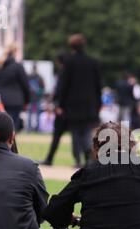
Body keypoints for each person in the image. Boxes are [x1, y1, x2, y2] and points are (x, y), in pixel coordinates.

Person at [57, 33, 102, 168]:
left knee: (75, 133)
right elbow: (98, 85)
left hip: (72, 104)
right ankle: (89, 159)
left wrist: (60, 104)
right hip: (89, 104)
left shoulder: (69, 63)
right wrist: (98, 103)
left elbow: (63, 85)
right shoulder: (92, 62)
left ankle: (77, 160)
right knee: (87, 132)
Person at [0, 44, 30, 131]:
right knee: (12, 130)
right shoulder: (18, 66)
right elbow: (25, 85)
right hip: (15, 102)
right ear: (15, 52)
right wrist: (27, 101)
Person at [41, 53, 69, 166]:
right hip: (71, 110)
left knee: (57, 136)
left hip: (62, 110)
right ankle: (82, 160)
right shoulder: (71, 74)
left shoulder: (62, 74)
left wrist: (57, 106)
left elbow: (59, 92)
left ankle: (49, 158)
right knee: (79, 137)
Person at [27, 63, 45, 131]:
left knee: (30, 114)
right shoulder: (40, 77)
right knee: (37, 114)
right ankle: (36, 128)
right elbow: (43, 88)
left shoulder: (28, 76)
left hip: (31, 97)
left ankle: (29, 128)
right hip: (37, 98)